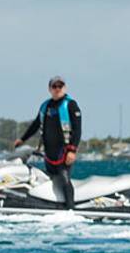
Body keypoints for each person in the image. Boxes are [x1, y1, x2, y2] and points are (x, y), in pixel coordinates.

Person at [14, 76, 82, 209]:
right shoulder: (45, 106)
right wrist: (22, 139)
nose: (57, 89)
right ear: (49, 89)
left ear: (64, 88)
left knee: (64, 179)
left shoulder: (71, 105)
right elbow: (35, 124)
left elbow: (78, 129)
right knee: (50, 179)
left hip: (64, 152)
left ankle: (71, 209)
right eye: (54, 87)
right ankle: (53, 205)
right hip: (49, 152)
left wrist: (72, 151)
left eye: (60, 86)